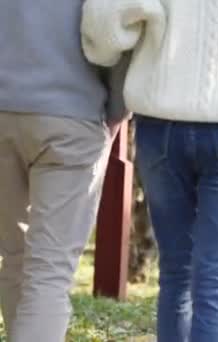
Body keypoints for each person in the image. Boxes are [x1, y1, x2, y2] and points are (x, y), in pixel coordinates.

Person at [80, 1, 218, 341]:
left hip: (163, 125)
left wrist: (116, 49)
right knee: (215, 280)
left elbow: (104, 18)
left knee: (176, 272)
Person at [0, 1, 130, 341]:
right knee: (49, 271)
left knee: (15, 256)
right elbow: (118, 29)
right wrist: (116, 112)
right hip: (73, 115)